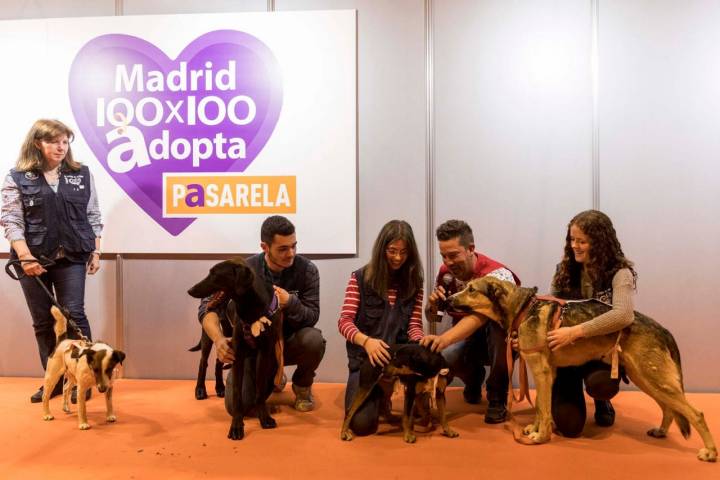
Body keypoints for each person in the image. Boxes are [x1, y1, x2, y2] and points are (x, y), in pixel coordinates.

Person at [1, 119, 102, 403]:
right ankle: (54, 380)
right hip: (31, 259)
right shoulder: (17, 177)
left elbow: (92, 215)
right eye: (53, 141)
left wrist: (96, 251)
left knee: (74, 315)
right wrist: (25, 256)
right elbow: (10, 219)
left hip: (72, 255)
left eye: (65, 142)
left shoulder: (81, 174)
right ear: (38, 143)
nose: (60, 147)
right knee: (43, 322)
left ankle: (86, 377)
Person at [199, 215, 325, 413]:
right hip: (253, 349)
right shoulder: (244, 270)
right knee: (237, 408)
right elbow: (208, 308)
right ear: (265, 247)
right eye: (283, 249)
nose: (291, 253)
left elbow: (312, 316)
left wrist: (290, 302)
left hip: (289, 342)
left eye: (294, 246)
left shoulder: (308, 270)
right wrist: (218, 340)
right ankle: (274, 375)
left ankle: (302, 385)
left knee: (314, 340)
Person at [545, 209, 636, 437]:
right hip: (566, 357)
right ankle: (568, 390)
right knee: (569, 428)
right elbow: (547, 310)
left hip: (599, 354)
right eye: (572, 240)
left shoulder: (620, 273)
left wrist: (575, 332)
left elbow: (624, 315)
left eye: (582, 241)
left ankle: (600, 400)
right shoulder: (562, 270)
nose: (575, 246)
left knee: (602, 386)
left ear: (599, 242)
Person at [421, 219, 519, 424]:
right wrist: (432, 308)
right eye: (444, 256)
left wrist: (445, 339)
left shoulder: (498, 275)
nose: (448, 262)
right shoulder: (446, 273)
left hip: (499, 341)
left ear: (470, 249)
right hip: (466, 340)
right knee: (443, 360)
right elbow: (435, 318)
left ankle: (497, 396)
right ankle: (474, 378)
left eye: (454, 255)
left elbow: (481, 316)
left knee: (497, 327)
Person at [338, 219, 424, 436]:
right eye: (392, 251)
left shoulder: (416, 282)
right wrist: (366, 342)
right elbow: (344, 321)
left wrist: (421, 342)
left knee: (424, 416)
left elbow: (414, 325)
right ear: (381, 249)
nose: (397, 258)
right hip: (364, 362)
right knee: (362, 426)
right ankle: (379, 396)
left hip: (398, 362)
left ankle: (385, 395)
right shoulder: (359, 278)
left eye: (404, 252)